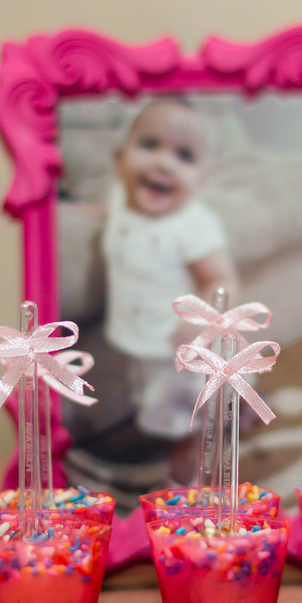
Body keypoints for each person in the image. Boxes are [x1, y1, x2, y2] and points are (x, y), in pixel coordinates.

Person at [78, 97, 239, 488]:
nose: (163, 163)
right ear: (120, 159)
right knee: (148, 401)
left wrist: (201, 320)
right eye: (149, 145)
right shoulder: (121, 199)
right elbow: (113, 215)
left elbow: (220, 278)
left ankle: (184, 483)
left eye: (184, 155)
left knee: (182, 422)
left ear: (201, 178)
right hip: (140, 341)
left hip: (178, 349)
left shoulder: (193, 226)